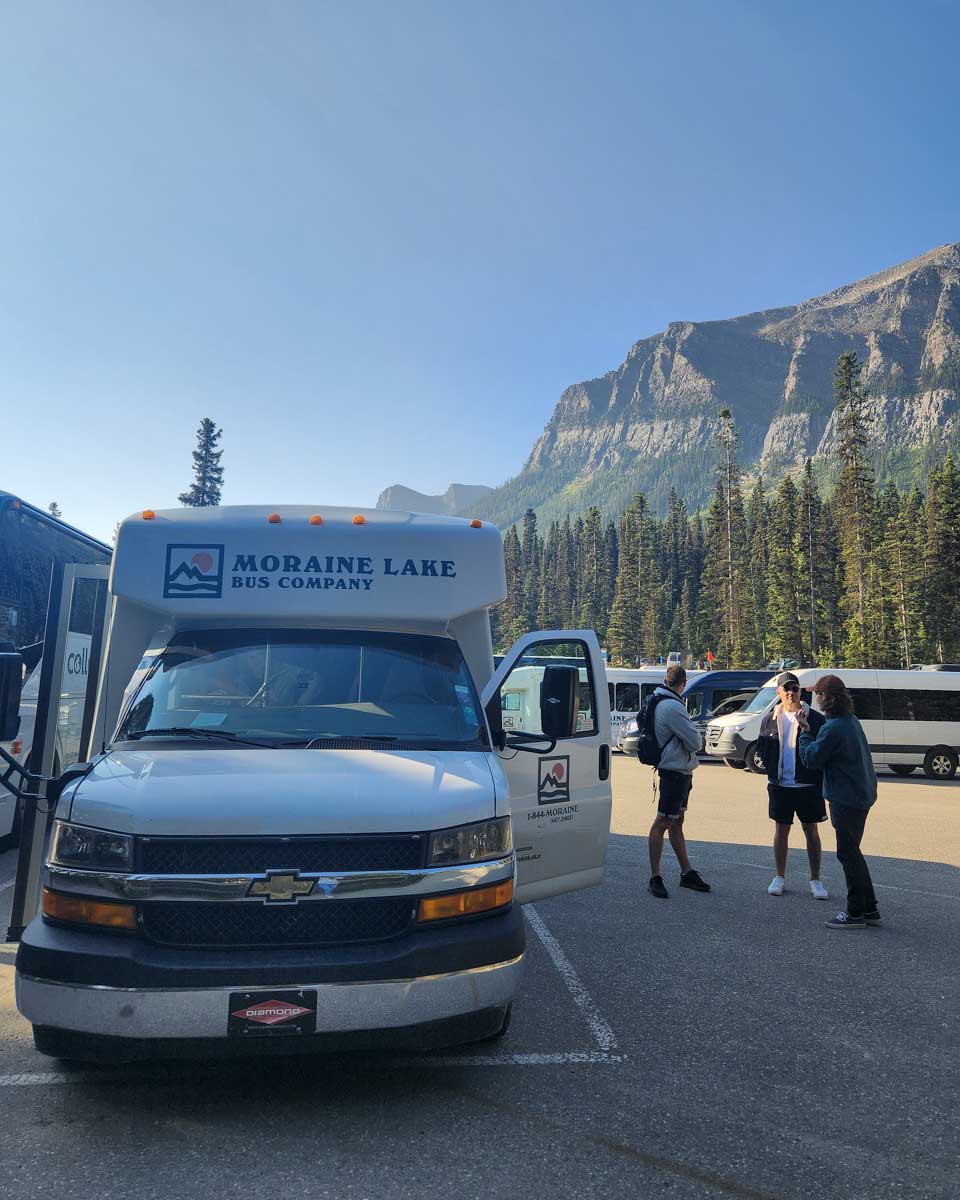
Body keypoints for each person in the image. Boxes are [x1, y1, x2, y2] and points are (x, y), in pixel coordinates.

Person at [797, 674, 879, 929]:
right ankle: (869, 909)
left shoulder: (833, 727)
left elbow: (811, 758)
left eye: (818, 694)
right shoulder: (850, 720)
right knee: (853, 852)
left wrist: (804, 734)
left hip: (846, 798)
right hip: (861, 794)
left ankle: (854, 913)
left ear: (828, 698)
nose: (816, 699)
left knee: (848, 854)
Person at [757, 671, 829, 899]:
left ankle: (815, 880)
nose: (791, 693)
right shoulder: (769, 719)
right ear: (778, 692)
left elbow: (822, 751)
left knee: (811, 831)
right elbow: (762, 748)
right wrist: (771, 771)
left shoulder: (815, 719)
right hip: (780, 785)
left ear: (799, 692)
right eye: (786, 689)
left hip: (807, 786)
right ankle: (779, 877)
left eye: (794, 689)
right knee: (781, 831)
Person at [647, 665, 711, 899]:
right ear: (683, 683)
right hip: (674, 771)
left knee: (676, 821)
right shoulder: (673, 706)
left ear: (666, 681)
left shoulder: (661, 701)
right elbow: (695, 742)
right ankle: (655, 877)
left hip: (678, 771)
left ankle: (687, 872)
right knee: (663, 821)